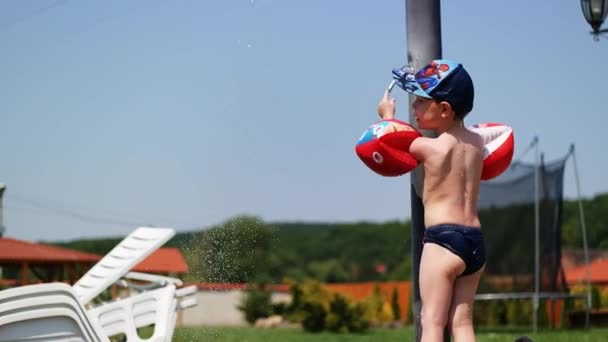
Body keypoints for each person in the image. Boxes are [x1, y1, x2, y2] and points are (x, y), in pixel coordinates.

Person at [377, 59, 486, 342]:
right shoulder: (477, 144)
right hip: (474, 241)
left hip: (442, 241)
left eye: (421, 101)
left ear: (445, 109)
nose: (414, 107)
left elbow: (390, 139)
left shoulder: (432, 148)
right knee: (462, 321)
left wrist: (387, 115)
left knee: (432, 320)